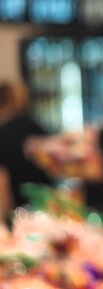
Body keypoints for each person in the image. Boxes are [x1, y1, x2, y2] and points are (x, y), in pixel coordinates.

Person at [0, 81, 53, 221]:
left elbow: (3, 181)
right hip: (46, 204)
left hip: (18, 210)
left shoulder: (3, 132)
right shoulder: (36, 126)